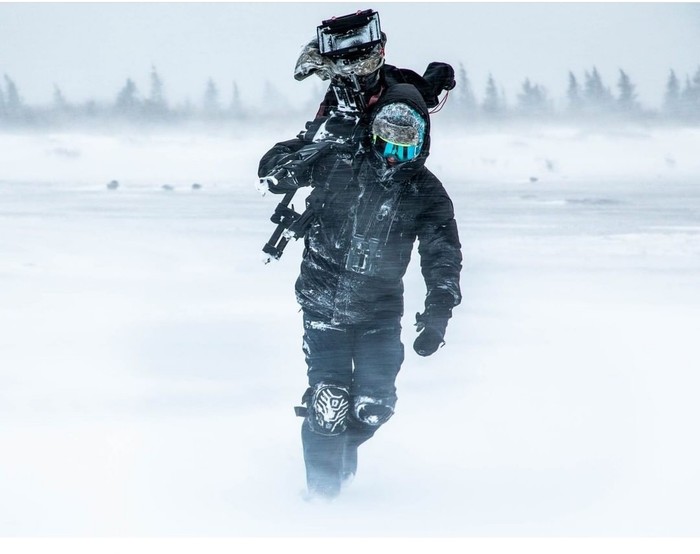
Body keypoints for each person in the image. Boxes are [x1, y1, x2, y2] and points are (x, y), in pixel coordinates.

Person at [257, 12, 462, 500]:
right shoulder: (339, 159)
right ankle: (321, 500)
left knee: (372, 408)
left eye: (405, 146)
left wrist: (437, 315)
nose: (394, 156)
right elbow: (274, 165)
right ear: (373, 137)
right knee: (329, 402)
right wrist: (289, 167)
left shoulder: (427, 195)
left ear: (421, 145)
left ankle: (340, 470)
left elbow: (442, 258)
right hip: (323, 303)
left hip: (379, 313)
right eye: (386, 144)